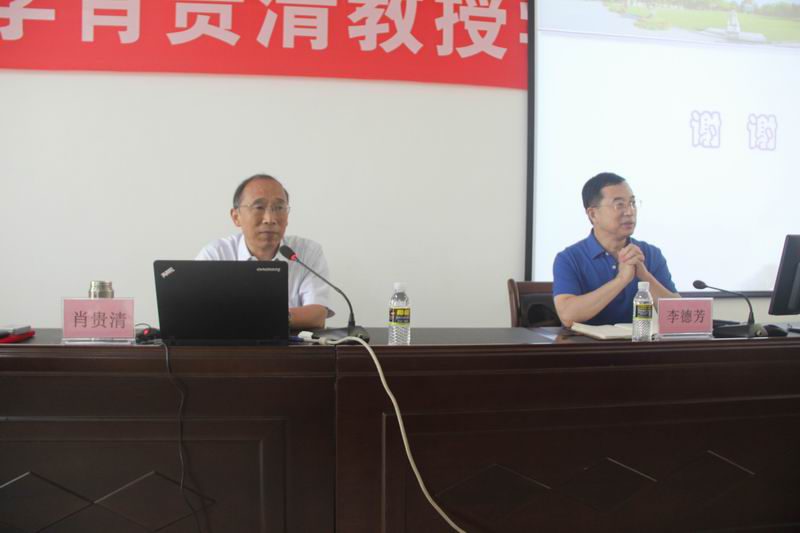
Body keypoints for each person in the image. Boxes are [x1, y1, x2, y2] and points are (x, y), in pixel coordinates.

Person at [196, 174, 331, 329]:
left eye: (279, 208)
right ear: (236, 217)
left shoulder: (307, 253)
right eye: (259, 207)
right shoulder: (215, 255)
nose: (270, 219)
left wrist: (256, 317)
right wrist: (273, 317)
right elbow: (196, 312)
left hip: (290, 344)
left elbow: (317, 316)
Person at [553, 172, 679, 327]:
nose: (630, 211)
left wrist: (644, 275)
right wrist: (621, 280)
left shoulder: (650, 254)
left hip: (637, 341)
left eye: (632, 203)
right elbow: (567, 316)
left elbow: (678, 314)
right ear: (593, 214)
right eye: (619, 205)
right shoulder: (569, 259)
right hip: (584, 342)